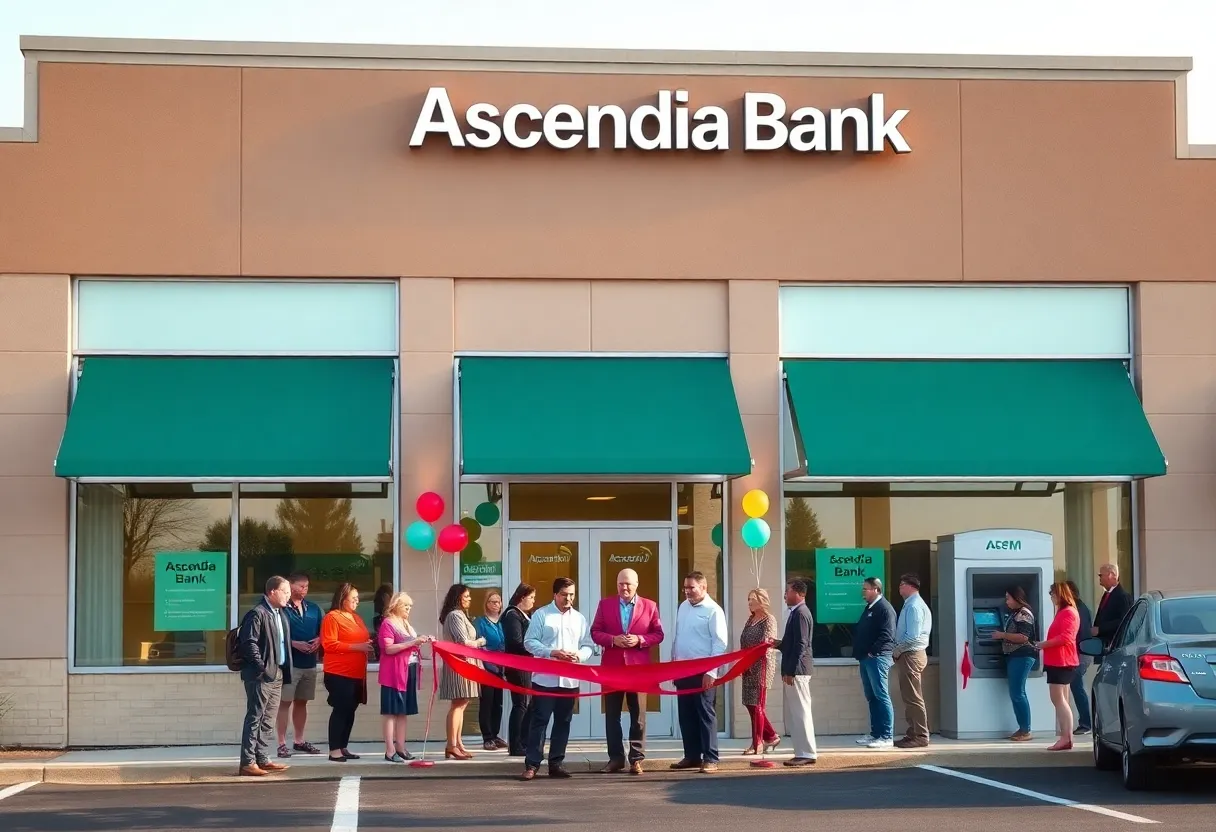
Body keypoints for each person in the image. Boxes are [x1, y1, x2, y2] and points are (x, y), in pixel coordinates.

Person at [590, 567, 665, 775]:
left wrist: (640, 640)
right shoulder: (605, 605)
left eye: (628, 583)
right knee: (612, 715)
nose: (624, 587)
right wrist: (613, 640)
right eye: (621, 583)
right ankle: (615, 759)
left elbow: (658, 634)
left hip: (638, 670)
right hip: (612, 669)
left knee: (638, 716)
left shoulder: (650, 606)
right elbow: (595, 632)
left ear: (636, 584)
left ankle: (636, 759)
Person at [521, 577, 595, 781]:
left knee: (563, 721)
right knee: (540, 721)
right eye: (564, 594)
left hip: (570, 680)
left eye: (572, 594)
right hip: (545, 679)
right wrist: (551, 652)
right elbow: (529, 642)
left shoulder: (579, 618)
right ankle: (532, 764)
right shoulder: (542, 615)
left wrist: (579, 656)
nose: (568, 598)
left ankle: (556, 763)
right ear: (555, 595)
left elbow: (589, 645)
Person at [669, 571, 728, 774]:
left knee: (705, 714)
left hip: (703, 671)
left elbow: (719, 643)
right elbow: (679, 637)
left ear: (703, 588)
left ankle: (710, 757)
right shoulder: (683, 607)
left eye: (691, 588)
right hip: (683, 669)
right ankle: (691, 755)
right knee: (686, 715)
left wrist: (712, 672)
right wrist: (674, 663)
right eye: (685, 588)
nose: (687, 591)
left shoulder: (714, 610)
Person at [237, 575, 294, 777]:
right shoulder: (257, 613)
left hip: (277, 672)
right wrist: (261, 667)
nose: (289, 595)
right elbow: (249, 643)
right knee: (255, 717)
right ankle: (248, 762)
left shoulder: (280, 614)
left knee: (268, 719)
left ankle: (263, 758)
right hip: (261, 675)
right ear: (272, 592)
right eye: (285, 592)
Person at [321, 582, 372, 762]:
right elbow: (329, 644)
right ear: (343, 598)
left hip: (356, 673)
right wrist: (357, 646)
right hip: (339, 673)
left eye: (358, 598)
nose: (357, 601)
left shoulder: (356, 618)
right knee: (341, 710)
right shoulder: (332, 617)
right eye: (354, 598)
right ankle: (334, 750)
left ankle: (343, 746)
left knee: (350, 710)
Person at [377, 591, 431, 762]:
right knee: (391, 711)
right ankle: (390, 750)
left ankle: (401, 746)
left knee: (403, 712)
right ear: (396, 605)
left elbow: (411, 645)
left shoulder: (406, 624)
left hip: (409, 670)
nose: (409, 608)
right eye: (406, 605)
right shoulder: (388, 623)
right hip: (393, 673)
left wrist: (424, 641)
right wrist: (413, 642)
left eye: (410, 606)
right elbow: (388, 648)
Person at [276, 571, 324, 759]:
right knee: (284, 702)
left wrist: (319, 641)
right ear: (290, 585)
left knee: (302, 702)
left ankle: (299, 740)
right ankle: (281, 743)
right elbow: (276, 635)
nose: (304, 590)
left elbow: (323, 631)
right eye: (300, 586)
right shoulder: (281, 608)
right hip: (289, 664)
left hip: (309, 663)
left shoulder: (313, 608)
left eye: (306, 587)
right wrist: (294, 644)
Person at [438, 583, 485, 760]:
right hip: (459, 664)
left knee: (461, 704)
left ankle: (457, 743)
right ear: (458, 598)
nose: (469, 599)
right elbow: (463, 642)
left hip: (463, 663)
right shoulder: (455, 615)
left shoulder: (458, 615)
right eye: (466, 596)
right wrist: (480, 641)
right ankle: (452, 745)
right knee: (458, 704)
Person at [1036, 582, 1081, 751]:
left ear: (1060, 594)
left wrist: (1043, 644)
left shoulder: (1068, 612)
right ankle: (1066, 736)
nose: (1051, 597)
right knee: (1063, 699)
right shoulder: (1065, 612)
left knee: (1058, 699)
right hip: (1059, 660)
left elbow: (1066, 638)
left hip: (1061, 661)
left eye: (1053, 594)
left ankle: (1066, 737)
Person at [777, 578, 817, 767]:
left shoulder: (801, 613)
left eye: (789, 591)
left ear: (800, 594)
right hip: (794, 669)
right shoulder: (794, 613)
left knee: (801, 713)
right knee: (795, 714)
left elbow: (801, 645)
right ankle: (801, 751)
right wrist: (777, 644)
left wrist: (791, 671)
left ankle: (807, 752)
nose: (785, 594)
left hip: (798, 671)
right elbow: (791, 643)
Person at [990, 586, 1038, 742]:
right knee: (1016, 692)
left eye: (1008, 598)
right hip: (1015, 656)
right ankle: (1022, 728)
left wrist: (1002, 635)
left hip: (1022, 656)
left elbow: (1024, 637)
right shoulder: (1015, 613)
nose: (1006, 601)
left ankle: (1026, 729)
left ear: (1017, 598)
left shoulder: (1024, 614)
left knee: (1018, 693)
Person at [854, 577, 897, 749]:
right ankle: (875, 734)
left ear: (876, 590)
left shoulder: (884, 609)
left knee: (881, 695)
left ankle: (886, 736)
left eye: (866, 589)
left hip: (877, 658)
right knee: (872, 697)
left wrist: (873, 651)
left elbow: (888, 635)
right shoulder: (869, 608)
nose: (863, 592)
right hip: (865, 658)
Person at [891, 573, 933, 749]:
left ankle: (921, 735)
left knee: (914, 697)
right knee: (909, 696)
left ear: (911, 586)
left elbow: (913, 637)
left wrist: (898, 650)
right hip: (909, 655)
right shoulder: (911, 605)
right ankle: (912, 732)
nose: (899, 588)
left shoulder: (914, 606)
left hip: (911, 654)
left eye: (902, 584)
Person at [738, 588, 780, 756]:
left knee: (758, 705)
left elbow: (767, 643)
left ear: (761, 600)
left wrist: (753, 659)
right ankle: (771, 736)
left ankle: (758, 743)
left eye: (752, 599)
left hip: (761, 666)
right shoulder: (750, 620)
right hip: (747, 665)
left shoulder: (769, 619)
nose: (749, 602)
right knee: (749, 703)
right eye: (748, 599)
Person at [501, 583, 537, 757]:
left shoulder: (524, 615)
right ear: (522, 597)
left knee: (527, 704)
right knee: (521, 704)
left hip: (526, 664)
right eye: (531, 597)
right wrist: (535, 649)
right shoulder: (512, 615)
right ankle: (516, 745)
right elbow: (516, 641)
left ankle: (524, 741)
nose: (533, 601)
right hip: (518, 665)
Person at [474, 591, 509, 751]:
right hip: (486, 667)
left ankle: (495, 735)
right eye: (492, 602)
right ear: (486, 604)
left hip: (501, 667)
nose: (496, 604)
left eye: (498, 602)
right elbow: (479, 644)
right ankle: (487, 737)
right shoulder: (480, 622)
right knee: (487, 703)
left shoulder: (502, 622)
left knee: (498, 703)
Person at [1065, 579, 1093, 735]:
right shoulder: (1079, 606)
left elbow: (1078, 633)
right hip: (1081, 652)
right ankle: (1085, 722)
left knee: (1077, 687)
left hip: (1080, 652)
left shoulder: (1076, 608)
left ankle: (1086, 723)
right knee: (1076, 687)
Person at [1092, 563, 1132, 648]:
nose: (1100, 578)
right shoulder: (1107, 594)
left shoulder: (1122, 596)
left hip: (1113, 645)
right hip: (1102, 644)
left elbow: (1124, 621)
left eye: (1101, 575)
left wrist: (1101, 629)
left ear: (1111, 575)